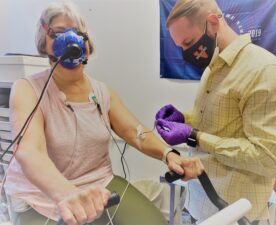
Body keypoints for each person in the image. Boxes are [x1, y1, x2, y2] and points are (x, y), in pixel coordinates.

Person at [3, 1, 204, 225]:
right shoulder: (27, 89)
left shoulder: (101, 91)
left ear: (87, 44)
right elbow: (30, 152)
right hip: (43, 196)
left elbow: (134, 132)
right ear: (44, 42)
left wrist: (170, 155)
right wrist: (66, 193)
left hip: (100, 182)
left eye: (78, 33)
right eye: (59, 33)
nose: (71, 40)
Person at [155, 0, 276, 224]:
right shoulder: (212, 68)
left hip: (236, 213)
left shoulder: (267, 72)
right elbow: (222, 122)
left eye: (189, 42)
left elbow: (269, 158)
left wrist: (194, 136)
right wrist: (184, 119)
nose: (186, 53)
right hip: (198, 203)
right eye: (180, 47)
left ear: (212, 22)